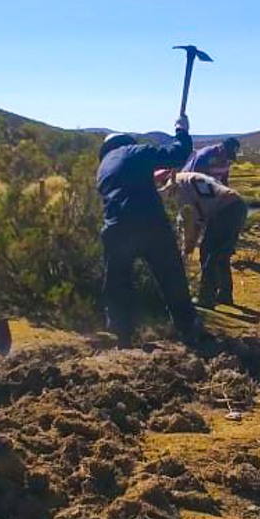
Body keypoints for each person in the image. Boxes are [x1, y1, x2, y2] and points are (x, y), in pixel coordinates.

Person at [97, 115, 198, 347]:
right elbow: (178, 153)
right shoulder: (133, 151)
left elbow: (129, 183)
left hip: (116, 230)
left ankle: (120, 336)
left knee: (117, 283)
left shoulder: (103, 169)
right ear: (126, 142)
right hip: (151, 226)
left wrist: (156, 177)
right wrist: (181, 131)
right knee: (171, 278)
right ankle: (189, 329)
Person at [171, 170, 247, 307]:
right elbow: (198, 219)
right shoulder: (187, 178)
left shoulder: (179, 186)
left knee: (208, 253)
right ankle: (224, 295)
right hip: (237, 206)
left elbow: (190, 219)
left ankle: (206, 298)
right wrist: (191, 243)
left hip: (225, 210)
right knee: (220, 255)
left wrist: (188, 247)